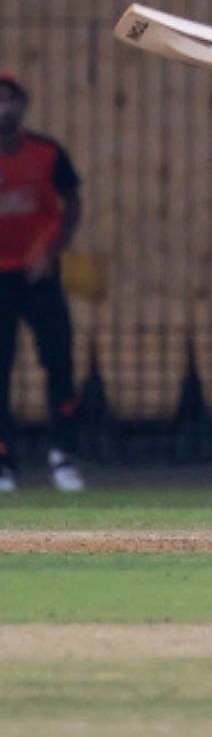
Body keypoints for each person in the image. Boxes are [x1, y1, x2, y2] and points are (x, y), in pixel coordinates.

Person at [0, 73, 85, 493]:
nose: (4, 108)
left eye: (11, 99)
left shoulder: (46, 152)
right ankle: (4, 463)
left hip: (39, 276)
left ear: (23, 105)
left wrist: (50, 253)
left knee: (59, 362)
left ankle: (64, 456)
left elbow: (72, 202)